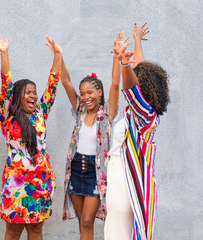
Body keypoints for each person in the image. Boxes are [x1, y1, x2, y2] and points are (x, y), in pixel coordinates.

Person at [56, 33, 133, 239]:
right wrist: (59, 55)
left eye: (90, 92)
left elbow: (115, 84)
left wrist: (117, 57)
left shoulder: (107, 113)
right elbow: (66, 82)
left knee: (89, 220)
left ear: (99, 92)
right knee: (83, 222)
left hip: (96, 172)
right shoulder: (80, 111)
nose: (85, 97)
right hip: (76, 168)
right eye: (82, 93)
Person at [0, 33, 62, 240]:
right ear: (17, 96)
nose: (32, 96)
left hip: (42, 180)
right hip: (15, 183)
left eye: (34, 92)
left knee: (36, 230)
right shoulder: (7, 116)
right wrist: (4, 53)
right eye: (27, 92)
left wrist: (58, 54)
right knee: (12, 231)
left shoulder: (41, 113)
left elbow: (53, 85)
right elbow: (6, 85)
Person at [104, 23, 170, 240]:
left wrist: (124, 65)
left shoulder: (144, 114)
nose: (132, 73)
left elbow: (132, 85)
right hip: (124, 178)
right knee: (121, 231)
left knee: (120, 233)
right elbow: (140, 70)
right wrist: (137, 40)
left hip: (128, 181)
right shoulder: (144, 113)